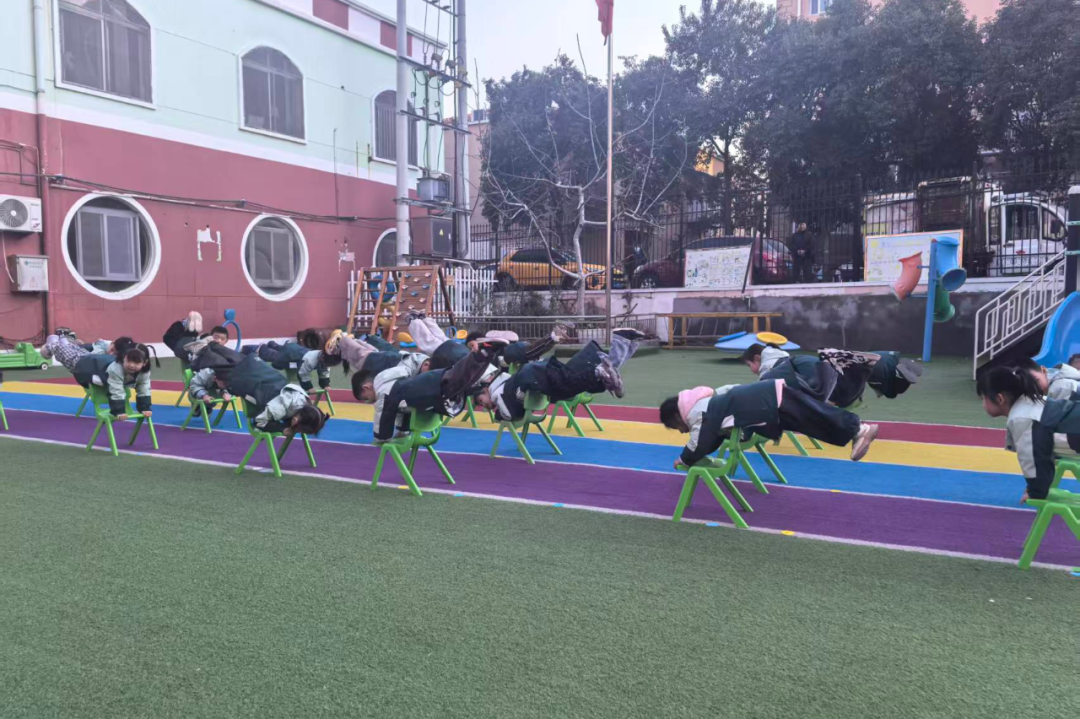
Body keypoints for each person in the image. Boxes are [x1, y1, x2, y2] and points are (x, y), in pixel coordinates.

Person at [660, 381, 878, 469]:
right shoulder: (708, 407)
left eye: (676, 426)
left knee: (813, 416)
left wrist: (684, 459)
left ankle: (859, 429)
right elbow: (713, 438)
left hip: (766, 400)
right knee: (811, 422)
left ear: (678, 415)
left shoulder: (699, 411)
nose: (681, 430)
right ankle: (855, 433)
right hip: (766, 402)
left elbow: (701, 441)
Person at [474, 330, 644, 422]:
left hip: (538, 375)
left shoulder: (497, 394)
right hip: (540, 372)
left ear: (486, 390)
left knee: (569, 385)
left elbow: (509, 415)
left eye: (481, 401)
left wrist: (497, 417)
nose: (485, 406)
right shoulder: (504, 382)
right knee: (575, 380)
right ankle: (625, 342)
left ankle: (600, 370)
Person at [356, 340, 505, 443]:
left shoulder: (382, 390)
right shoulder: (392, 384)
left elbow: (383, 414)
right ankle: (488, 354)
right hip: (431, 387)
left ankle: (482, 353)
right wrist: (402, 431)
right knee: (465, 381)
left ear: (367, 387)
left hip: (431, 387)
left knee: (459, 377)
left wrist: (381, 438)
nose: (370, 402)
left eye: (367, 399)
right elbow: (399, 411)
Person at [977, 365, 1080, 502]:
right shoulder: (1035, 402)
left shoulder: (1022, 417)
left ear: (1000, 399)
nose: (983, 404)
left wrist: (1035, 492)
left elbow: (1034, 459)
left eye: (983, 398)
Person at [189, 344, 327, 435]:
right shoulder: (278, 408)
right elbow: (258, 422)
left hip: (258, 368)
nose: (298, 432)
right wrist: (282, 428)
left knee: (232, 359)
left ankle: (211, 346)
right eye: (300, 431)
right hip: (244, 378)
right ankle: (200, 354)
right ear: (296, 420)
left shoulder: (304, 400)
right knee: (217, 365)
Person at [741, 343, 921, 407]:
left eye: (750, 365)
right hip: (829, 371)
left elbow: (769, 389)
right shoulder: (786, 358)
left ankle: (892, 370)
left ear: (757, 358)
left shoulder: (772, 369)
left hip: (827, 382)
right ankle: (890, 363)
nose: (751, 370)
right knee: (859, 364)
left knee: (860, 367)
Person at [72, 345, 153, 418]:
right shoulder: (115, 369)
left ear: (144, 363)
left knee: (76, 350)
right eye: (129, 361)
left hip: (92, 360)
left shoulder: (144, 372)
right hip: (81, 365)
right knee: (69, 352)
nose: (131, 365)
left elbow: (144, 387)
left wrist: (145, 408)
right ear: (123, 359)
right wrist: (119, 411)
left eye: (136, 362)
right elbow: (116, 389)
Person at [242, 338, 345, 392]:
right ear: (323, 358)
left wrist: (326, 384)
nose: (328, 365)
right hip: (291, 354)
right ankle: (262, 348)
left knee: (283, 349)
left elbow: (324, 372)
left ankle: (273, 344)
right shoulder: (310, 360)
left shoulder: (325, 360)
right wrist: (308, 387)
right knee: (276, 359)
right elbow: (302, 373)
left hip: (296, 350)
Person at [41, 334, 137, 372]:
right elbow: (93, 356)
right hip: (90, 352)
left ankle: (64, 344)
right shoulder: (107, 346)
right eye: (112, 350)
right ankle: (63, 344)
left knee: (75, 353)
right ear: (112, 343)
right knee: (79, 351)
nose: (111, 354)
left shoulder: (117, 359)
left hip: (86, 358)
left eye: (115, 353)